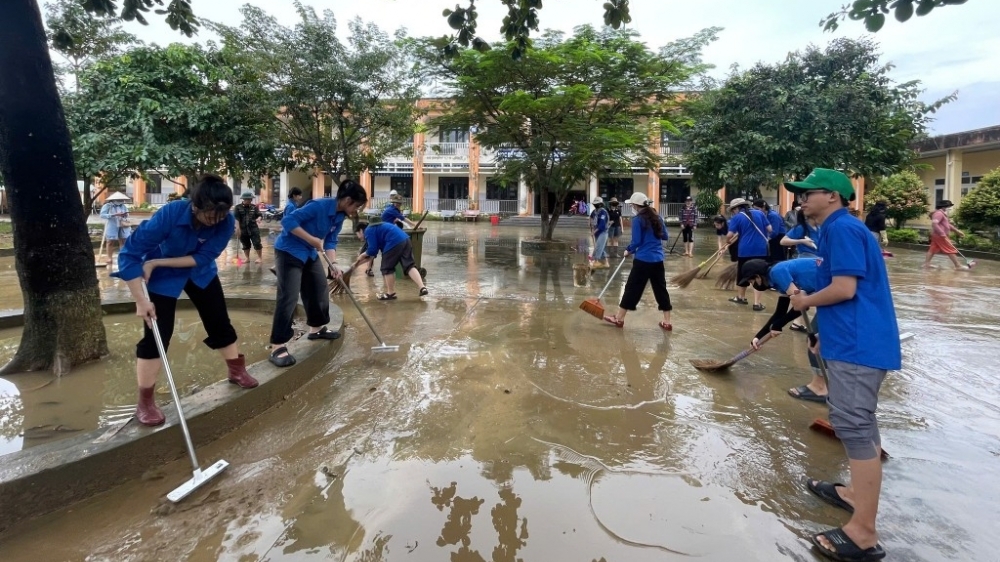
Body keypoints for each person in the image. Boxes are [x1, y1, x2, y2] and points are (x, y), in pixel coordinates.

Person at [786, 168, 900, 562]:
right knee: (855, 423)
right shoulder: (834, 230)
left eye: (807, 193)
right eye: (799, 195)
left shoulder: (844, 229)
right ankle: (853, 495)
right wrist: (821, 333)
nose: (801, 200)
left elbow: (845, 288)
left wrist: (804, 303)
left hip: (859, 345)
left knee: (854, 425)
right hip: (848, 340)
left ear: (832, 196)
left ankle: (863, 533)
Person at [117, 174, 258, 427]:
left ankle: (236, 370)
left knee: (219, 322)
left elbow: (203, 258)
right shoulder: (170, 214)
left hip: (198, 272)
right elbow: (129, 254)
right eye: (209, 215)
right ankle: (145, 402)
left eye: (221, 216)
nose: (214, 221)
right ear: (195, 206)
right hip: (161, 278)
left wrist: (156, 261)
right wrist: (141, 300)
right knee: (157, 334)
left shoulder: (225, 223)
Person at [268, 180, 368, 367]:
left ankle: (316, 328)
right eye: (356, 205)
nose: (356, 210)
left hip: (309, 253)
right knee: (288, 296)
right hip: (289, 251)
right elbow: (287, 221)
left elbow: (330, 241)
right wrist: (312, 239)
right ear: (347, 200)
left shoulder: (339, 216)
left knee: (319, 288)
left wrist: (334, 265)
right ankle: (277, 345)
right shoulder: (319, 206)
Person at [740, 258, 827, 403]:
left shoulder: (777, 272)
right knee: (820, 340)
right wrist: (758, 336)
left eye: (751, 282)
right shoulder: (777, 278)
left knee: (814, 340)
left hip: (837, 291)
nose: (751, 285)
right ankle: (830, 384)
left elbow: (801, 306)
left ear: (757, 277)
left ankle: (820, 388)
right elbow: (779, 313)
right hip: (830, 290)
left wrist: (779, 325)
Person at [602, 192, 673, 330]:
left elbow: (636, 242)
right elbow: (665, 236)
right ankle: (667, 321)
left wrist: (628, 250)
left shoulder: (637, 220)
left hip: (643, 260)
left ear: (636, 205)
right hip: (658, 260)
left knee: (632, 289)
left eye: (632, 205)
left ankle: (619, 318)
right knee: (661, 290)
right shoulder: (658, 217)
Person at [349, 222, 428, 300]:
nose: (358, 238)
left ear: (360, 231)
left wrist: (362, 255)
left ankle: (391, 293)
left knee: (386, 268)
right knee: (409, 266)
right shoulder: (376, 228)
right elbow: (372, 256)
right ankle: (422, 287)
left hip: (393, 242)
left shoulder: (368, 231)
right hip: (405, 240)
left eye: (357, 234)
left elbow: (372, 251)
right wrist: (357, 264)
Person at [726, 198, 770, 311]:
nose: (732, 212)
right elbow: (770, 229)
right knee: (759, 276)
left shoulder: (737, 217)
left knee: (743, 273)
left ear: (737, 208)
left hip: (745, 250)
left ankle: (741, 297)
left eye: (732, 210)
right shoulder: (760, 213)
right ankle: (757, 303)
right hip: (761, 249)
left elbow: (729, 235)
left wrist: (727, 242)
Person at [922, 200, 966, 269]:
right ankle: (958, 265)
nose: (949, 208)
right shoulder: (938, 213)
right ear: (944, 207)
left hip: (938, 235)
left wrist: (957, 231)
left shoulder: (942, 214)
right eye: (949, 206)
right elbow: (935, 224)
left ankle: (926, 264)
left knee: (932, 249)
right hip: (940, 235)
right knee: (949, 248)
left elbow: (947, 225)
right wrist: (942, 234)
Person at [100, 196, 132, 265]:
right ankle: (109, 257)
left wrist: (124, 215)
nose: (121, 201)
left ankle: (122, 257)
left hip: (122, 224)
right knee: (110, 241)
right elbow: (102, 215)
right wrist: (114, 215)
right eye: (119, 199)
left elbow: (127, 214)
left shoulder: (123, 206)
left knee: (123, 240)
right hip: (112, 224)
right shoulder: (107, 206)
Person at [234, 192, 264, 264]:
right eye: (248, 199)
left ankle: (260, 258)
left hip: (253, 228)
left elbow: (259, 215)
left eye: (251, 199)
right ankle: (247, 258)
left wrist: (259, 218)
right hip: (243, 229)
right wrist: (237, 228)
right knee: (245, 244)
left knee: (257, 243)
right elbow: (236, 218)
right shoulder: (238, 207)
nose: (250, 200)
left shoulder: (254, 207)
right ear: (244, 199)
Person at [589, 196, 610, 269]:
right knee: (602, 248)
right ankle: (606, 263)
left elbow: (602, 225)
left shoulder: (603, 212)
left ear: (601, 204)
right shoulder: (594, 211)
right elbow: (591, 218)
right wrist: (591, 226)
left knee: (598, 247)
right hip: (596, 232)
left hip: (603, 232)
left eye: (597, 204)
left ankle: (595, 261)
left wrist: (593, 232)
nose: (596, 205)